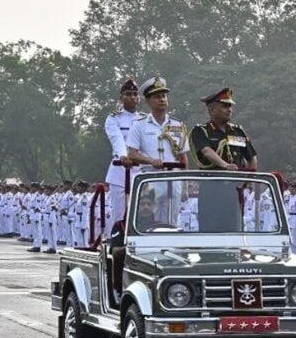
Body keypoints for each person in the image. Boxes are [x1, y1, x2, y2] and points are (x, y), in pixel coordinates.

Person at [126, 76, 190, 225]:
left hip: (173, 180)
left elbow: (183, 157)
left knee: (171, 222)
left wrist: (185, 185)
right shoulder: (139, 125)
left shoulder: (178, 125)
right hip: (150, 180)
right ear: (148, 101)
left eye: (164, 96)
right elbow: (132, 153)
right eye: (157, 97)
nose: (162, 99)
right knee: (149, 222)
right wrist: (150, 160)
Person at [104, 78, 144, 231]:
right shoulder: (114, 118)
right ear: (121, 98)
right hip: (120, 169)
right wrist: (123, 155)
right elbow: (117, 139)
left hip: (140, 168)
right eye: (128, 94)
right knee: (119, 214)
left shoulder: (145, 119)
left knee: (141, 212)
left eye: (135, 94)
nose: (133, 97)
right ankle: (117, 242)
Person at [189, 87, 258, 171]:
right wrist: (226, 166)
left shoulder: (238, 131)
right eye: (225, 106)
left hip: (236, 180)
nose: (229, 110)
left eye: (230, 107)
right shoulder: (201, 131)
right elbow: (206, 151)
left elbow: (252, 157)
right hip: (212, 180)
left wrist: (248, 180)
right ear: (211, 110)